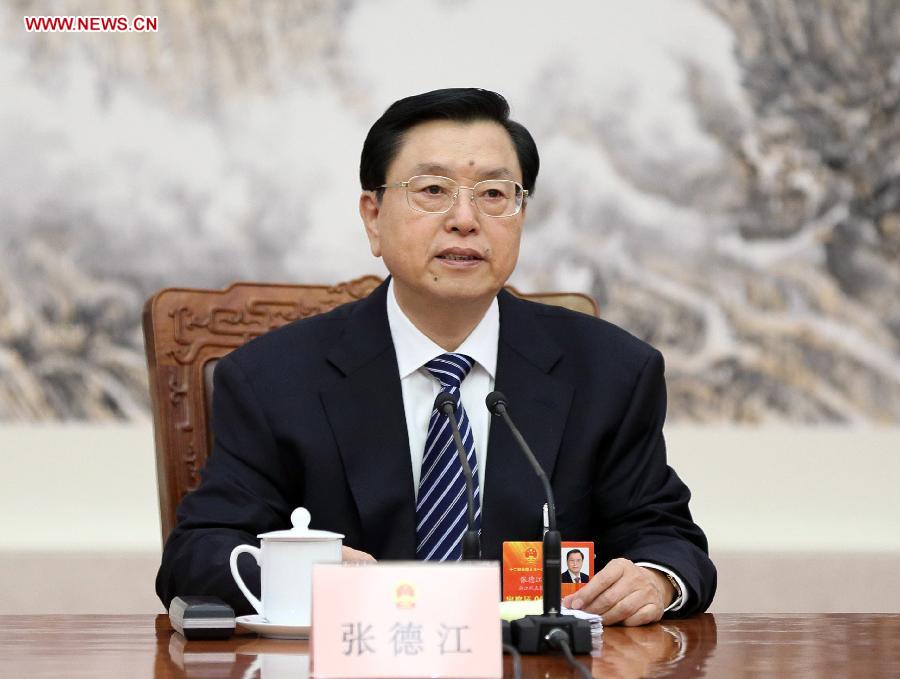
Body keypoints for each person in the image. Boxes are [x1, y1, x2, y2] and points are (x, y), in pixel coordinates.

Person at [156, 88, 716, 626]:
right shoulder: (272, 378)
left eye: (495, 194)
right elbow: (196, 556)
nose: (465, 219)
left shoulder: (611, 372)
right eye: (432, 190)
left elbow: (667, 541)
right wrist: (300, 574)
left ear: (521, 215)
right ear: (373, 217)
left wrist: (654, 579)